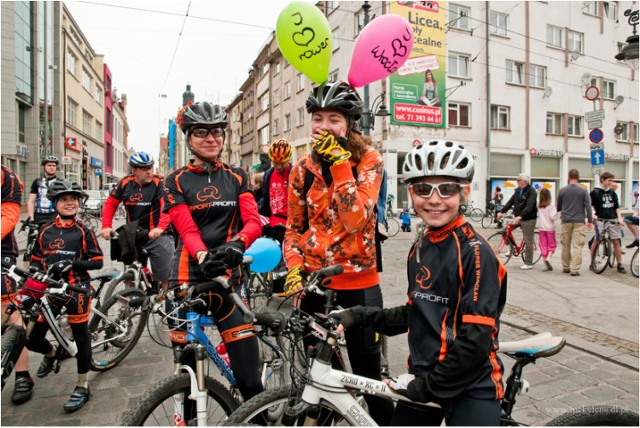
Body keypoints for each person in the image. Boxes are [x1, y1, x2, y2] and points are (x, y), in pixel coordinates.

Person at [330, 140, 507, 426]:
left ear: (464, 192)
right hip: (425, 378)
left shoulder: (476, 252)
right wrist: (358, 316)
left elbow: (476, 342)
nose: (434, 200)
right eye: (423, 189)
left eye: (447, 189)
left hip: (471, 384)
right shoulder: (421, 246)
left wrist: (426, 387)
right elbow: (418, 312)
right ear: (411, 192)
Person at [283, 80, 393, 425]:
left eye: (334, 118)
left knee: (368, 376)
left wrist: (340, 165)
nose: (324, 126)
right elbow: (294, 229)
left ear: (350, 123)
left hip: (359, 286)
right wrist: (294, 268)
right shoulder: (302, 169)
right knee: (316, 374)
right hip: (316, 287)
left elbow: (356, 218)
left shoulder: (369, 161)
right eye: (318, 118)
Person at [163, 101, 263, 404]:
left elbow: (253, 221)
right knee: (188, 381)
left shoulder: (237, 175)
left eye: (217, 132)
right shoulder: (176, 180)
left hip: (228, 280)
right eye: (201, 132)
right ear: (189, 138)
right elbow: (187, 229)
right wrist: (204, 256)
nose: (211, 138)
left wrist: (238, 244)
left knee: (249, 380)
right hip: (186, 281)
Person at [27, 180, 104, 412]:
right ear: (55, 204)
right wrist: (34, 274)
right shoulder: (45, 230)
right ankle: (52, 353)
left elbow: (98, 260)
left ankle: (83, 385)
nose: (70, 203)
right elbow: (35, 260)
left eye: (73, 200)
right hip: (50, 291)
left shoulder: (84, 230)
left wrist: (71, 263)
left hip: (75, 289)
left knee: (81, 337)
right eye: (64, 200)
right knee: (31, 338)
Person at [100, 152, 174, 290]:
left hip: (158, 235)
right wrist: (106, 226)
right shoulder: (125, 183)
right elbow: (111, 204)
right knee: (131, 274)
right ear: (134, 170)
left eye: (151, 168)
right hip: (134, 235)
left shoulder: (160, 182)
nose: (149, 172)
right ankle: (128, 304)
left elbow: (167, 206)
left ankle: (167, 304)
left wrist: (160, 228)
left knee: (166, 279)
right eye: (144, 168)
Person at [1, 164, 33, 404]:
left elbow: (9, 216)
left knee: (9, 313)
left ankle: (22, 374)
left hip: (2, 252)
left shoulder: (6, 176)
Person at [556, 169, 593, 276]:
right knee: (577, 245)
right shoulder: (583, 191)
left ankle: (566, 266)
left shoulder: (562, 190)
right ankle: (574, 269)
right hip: (579, 221)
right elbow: (588, 207)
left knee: (565, 244)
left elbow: (559, 207)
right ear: (578, 178)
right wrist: (589, 221)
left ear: (568, 177)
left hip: (566, 220)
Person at [497, 173, 537, 269]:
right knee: (505, 230)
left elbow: (529, 206)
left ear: (524, 181)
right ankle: (512, 248)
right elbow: (510, 202)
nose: (516, 182)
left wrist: (521, 216)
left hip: (528, 219)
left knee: (528, 240)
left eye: (518, 180)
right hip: (518, 217)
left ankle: (528, 263)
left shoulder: (531, 191)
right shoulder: (518, 191)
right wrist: (502, 211)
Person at [590, 172, 626, 273]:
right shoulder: (595, 192)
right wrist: (593, 215)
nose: (611, 182)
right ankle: (592, 262)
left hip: (613, 219)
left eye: (611, 180)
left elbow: (617, 207)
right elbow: (589, 206)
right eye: (609, 180)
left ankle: (619, 264)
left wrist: (620, 218)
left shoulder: (612, 193)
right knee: (597, 240)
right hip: (600, 219)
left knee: (616, 242)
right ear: (602, 180)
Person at [259, 138, 293, 245]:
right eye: (275, 163)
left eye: (282, 163)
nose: (278, 167)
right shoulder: (268, 174)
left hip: (289, 224)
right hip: (272, 222)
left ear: (288, 160)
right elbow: (265, 197)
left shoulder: (294, 173)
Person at [27, 155, 60, 226]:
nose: (52, 167)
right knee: (34, 236)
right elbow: (31, 201)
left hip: (54, 215)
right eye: (49, 165)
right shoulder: (37, 182)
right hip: (38, 215)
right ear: (44, 167)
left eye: (54, 166)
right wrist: (31, 218)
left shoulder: (60, 182)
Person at [537, 188, 559, 272]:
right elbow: (553, 217)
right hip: (550, 228)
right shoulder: (551, 206)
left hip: (542, 228)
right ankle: (549, 258)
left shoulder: (540, 206)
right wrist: (558, 213)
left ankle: (545, 264)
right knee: (552, 244)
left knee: (543, 245)